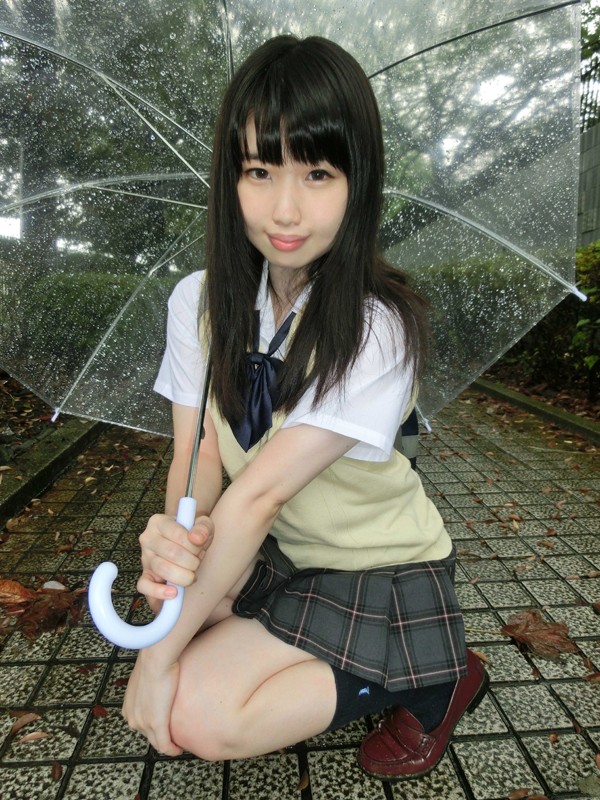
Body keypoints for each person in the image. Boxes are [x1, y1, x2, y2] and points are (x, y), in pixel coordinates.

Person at [122, 34, 488, 780]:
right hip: (281, 550)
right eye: (260, 171)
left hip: (375, 564)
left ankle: (433, 676)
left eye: (318, 173)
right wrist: (178, 547)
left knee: (195, 712)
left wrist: (153, 662)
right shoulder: (197, 302)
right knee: (176, 613)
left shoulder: (376, 326)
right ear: (231, 178)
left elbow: (259, 494)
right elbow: (198, 457)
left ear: (359, 181)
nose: (285, 210)